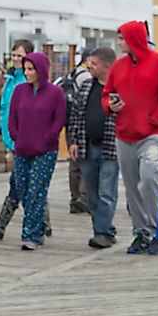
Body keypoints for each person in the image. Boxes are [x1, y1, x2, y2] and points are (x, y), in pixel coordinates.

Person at [103, 21, 158, 255]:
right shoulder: (118, 66)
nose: (118, 42)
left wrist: (152, 122)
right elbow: (106, 94)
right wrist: (110, 106)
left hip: (153, 136)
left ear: (134, 39)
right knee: (132, 186)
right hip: (124, 136)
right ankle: (141, 232)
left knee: (149, 178)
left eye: (122, 38)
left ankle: (157, 231)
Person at [0, 39, 52, 240]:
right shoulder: (11, 79)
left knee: (21, 183)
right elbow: (5, 109)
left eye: (20, 56)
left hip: (25, 140)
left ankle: (2, 225)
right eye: (13, 56)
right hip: (10, 137)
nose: (16, 60)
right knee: (28, 183)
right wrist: (2, 131)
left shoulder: (27, 81)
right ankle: (44, 223)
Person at [9, 52, 67, 250]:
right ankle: (40, 226)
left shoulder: (55, 93)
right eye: (25, 69)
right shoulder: (19, 91)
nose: (27, 73)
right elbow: (12, 117)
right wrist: (16, 135)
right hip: (22, 149)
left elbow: (59, 120)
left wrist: (48, 138)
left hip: (45, 151)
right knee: (23, 190)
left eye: (31, 69)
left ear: (41, 70)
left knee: (36, 192)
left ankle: (30, 236)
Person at [67, 47, 119, 249]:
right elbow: (76, 115)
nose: (89, 66)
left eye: (94, 64)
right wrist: (73, 140)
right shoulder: (87, 86)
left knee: (107, 191)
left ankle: (103, 232)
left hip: (110, 148)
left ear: (107, 67)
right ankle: (103, 228)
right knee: (92, 193)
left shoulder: (119, 87)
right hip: (86, 146)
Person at [61, 55, 91, 214]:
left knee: (73, 162)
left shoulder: (72, 74)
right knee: (84, 160)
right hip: (83, 123)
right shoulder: (86, 76)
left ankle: (74, 198)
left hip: (69, 122)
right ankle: (83, 197)